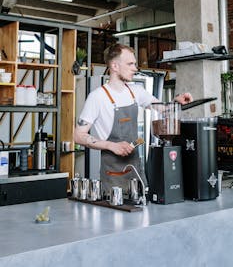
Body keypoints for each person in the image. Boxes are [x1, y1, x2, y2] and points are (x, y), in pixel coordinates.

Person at [74, 43, 193, 196]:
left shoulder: (136, 91)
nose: (135, 68)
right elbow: (78, 135)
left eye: (135, 64)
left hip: (137, 174)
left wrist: (177, 101)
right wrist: (111, 145)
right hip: (113, 179)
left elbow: (163, 109)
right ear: (115, 66)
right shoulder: (97, 97)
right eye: (130, 64)